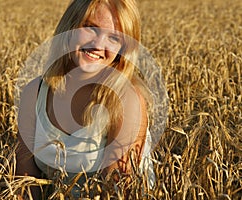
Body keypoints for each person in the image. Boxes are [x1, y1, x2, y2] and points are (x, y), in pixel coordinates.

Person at [16, 0, 156, 198]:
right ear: (70, 28)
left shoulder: (126, 99)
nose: (98, 45)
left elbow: (117, 189)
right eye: (91, 28)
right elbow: (24, 176)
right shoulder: (35, 92)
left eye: (114, 38)